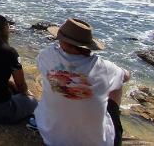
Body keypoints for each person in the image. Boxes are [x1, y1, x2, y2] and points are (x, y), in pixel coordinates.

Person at [34, 18, 130, 146]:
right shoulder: (104, 67)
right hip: (97, 143)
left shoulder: (45, 56)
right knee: (117, 84)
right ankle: (112, 114)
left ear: (63, 41)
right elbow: (126, 76)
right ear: (88, 45)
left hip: (52, 137)